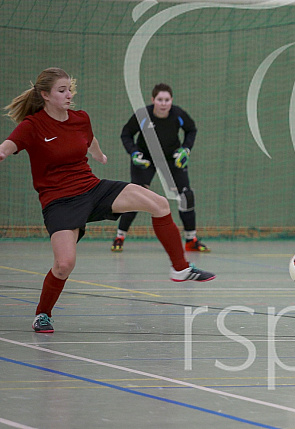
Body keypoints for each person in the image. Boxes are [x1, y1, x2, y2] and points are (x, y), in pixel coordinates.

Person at [0, 68, 216, 334]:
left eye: (70, 89)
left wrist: (99, 155)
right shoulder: (32, 126)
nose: (69, 95)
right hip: (59, 201)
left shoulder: (80, 118)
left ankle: (180, 268)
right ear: (45, 95)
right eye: (62, 90)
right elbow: (6, 147)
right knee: (64, 264)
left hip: (92, 189)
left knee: (160, 203)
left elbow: (89, 139)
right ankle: (43, 314)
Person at [111, 83, 209, 253]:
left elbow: (191, 129)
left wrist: (185, 149)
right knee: (136, 197)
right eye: (160, 100)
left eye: (167, 100)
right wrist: (134, 152)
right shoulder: (143, 115)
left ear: (171, 101)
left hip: (172, 159)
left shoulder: (178, 114)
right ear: (153, 100)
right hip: (146, 159)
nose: (163, 103)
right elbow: (126, 133)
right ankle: (120, 236)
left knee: (186, 195)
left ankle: (191, 239)